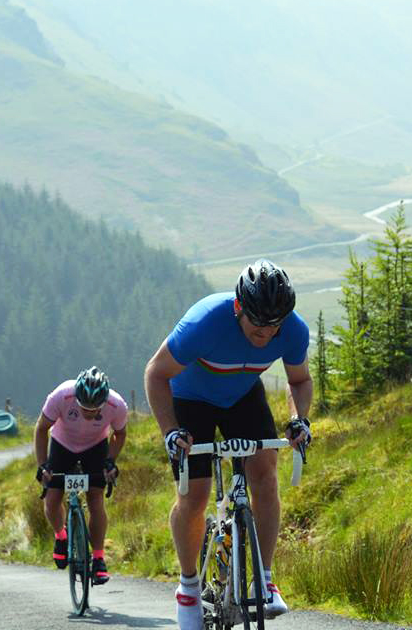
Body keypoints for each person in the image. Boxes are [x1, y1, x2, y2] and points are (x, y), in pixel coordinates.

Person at [144, 258, 312, 630]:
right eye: (257, 323)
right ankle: (189, 587)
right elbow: (155, 373)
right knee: (195, 496)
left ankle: (264, 578)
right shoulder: (205, 322)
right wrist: (170, 430)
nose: (265, 333)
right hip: (189, 398)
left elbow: (300, 380)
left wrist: (298, 418)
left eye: (274, 324)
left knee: (265, 476)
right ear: (239, 307)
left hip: (241, 396)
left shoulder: (293, 330)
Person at [34, 366, 128, 585]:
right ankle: (61, 536)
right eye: (84, 408)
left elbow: (120, 433)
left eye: (95, 410)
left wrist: (110, 460)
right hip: (62, 445)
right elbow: (41, 429)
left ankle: (99, 558)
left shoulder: (116, 404)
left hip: (95, 447)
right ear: (76, 399)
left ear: (104, 403)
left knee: (95, 499)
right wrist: (43, 465)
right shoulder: (61, 395)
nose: (89, 413)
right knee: (52, 499)